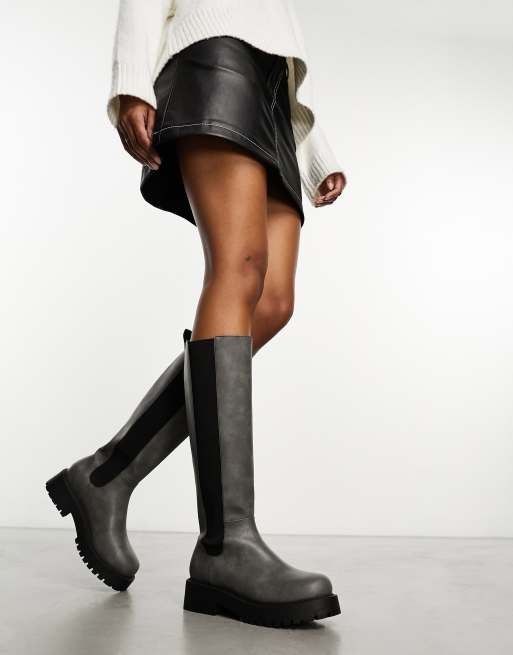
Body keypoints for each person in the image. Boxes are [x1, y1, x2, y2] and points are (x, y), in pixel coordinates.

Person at [46, 0, 346, 627]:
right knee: (236, 269)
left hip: (274, 94)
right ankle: (225, 543)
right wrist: (131, 82)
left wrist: (315, 147)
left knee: (272, 302)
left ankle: (105, 478)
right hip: (216, 60)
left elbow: (275, 26)